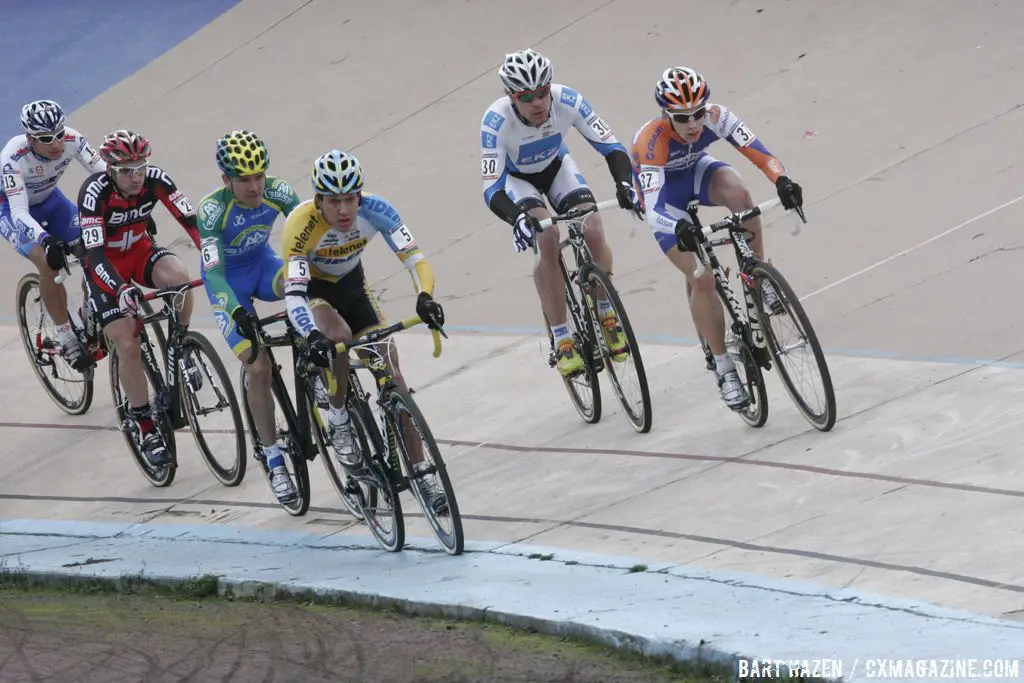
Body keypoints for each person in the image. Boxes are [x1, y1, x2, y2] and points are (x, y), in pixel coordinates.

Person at [280, 149, 447, 510]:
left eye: (351, 199)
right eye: (335, 201)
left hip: (353, 287)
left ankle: (422, 472)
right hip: (314, 293)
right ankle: (339, 419)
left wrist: (425, 296)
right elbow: (293, 296)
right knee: (338, 339)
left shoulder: (378, 210)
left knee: (392, 374)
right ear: (319, 199)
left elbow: (416, 260)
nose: (344, 210)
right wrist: (312, 335)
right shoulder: (300, 224)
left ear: (360, 195)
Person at [630, 66, 804, 410]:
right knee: (702, 276)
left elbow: (761, 155)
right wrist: (678, 228)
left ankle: (757, 275)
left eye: (698, 113)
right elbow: (651, 208)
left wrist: (782, 180)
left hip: (696, 173)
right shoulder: (651, 140)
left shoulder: (717, 117)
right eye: (683, 117)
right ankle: (724, 367)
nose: (694, 123)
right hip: (664, 202)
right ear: (667, 115)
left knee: (740, 194)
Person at [479, 48, 644, 377]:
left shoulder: (567, 99)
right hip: (517, 181)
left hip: (556, 167)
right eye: (528, 97)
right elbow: (492, 188)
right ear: (512, 98)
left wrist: (625, 184)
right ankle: (562, 337)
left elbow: (611, 147)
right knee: (548, 238)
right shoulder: (495, 121)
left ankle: (606, 313)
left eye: (542, 93)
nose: (538, 103)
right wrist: (517, 219)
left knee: (592, 227)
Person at [77, 130, 202, 466]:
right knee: (129, 344)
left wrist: (212, 257)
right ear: (109, 170)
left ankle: (182, 346)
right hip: (107, 268)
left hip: (140, 251)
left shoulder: (157, 180)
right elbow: (94, 253)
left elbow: (191, 221)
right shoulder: (94, 193)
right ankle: (145, 425)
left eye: (140, 167)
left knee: (180, 281)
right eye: (126, 171)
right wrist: (119, 289)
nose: (136, 177)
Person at [197, 129, 301, 504]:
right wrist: (237, 310)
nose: (255, 186)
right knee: (259, 367)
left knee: (309, 288)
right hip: (229, 285)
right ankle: (273, 458)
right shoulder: (211, 211)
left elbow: (309, 234)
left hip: (263, 267)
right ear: (226, 180)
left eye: (259, 175)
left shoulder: (280, 191)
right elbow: (213, 273)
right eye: (244, 179)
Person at [0, 99, 105, 370]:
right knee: (47, 262)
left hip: (52, 201)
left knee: (94, 244)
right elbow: (20, 212)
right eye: (46, 138)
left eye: (59, 134)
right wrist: (46, 240)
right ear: (30, 139)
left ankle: (90, 309)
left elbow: (106, 176)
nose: (56, 143)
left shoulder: (73, 139)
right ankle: (65, 333)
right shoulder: (13, 158)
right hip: (13, 210)